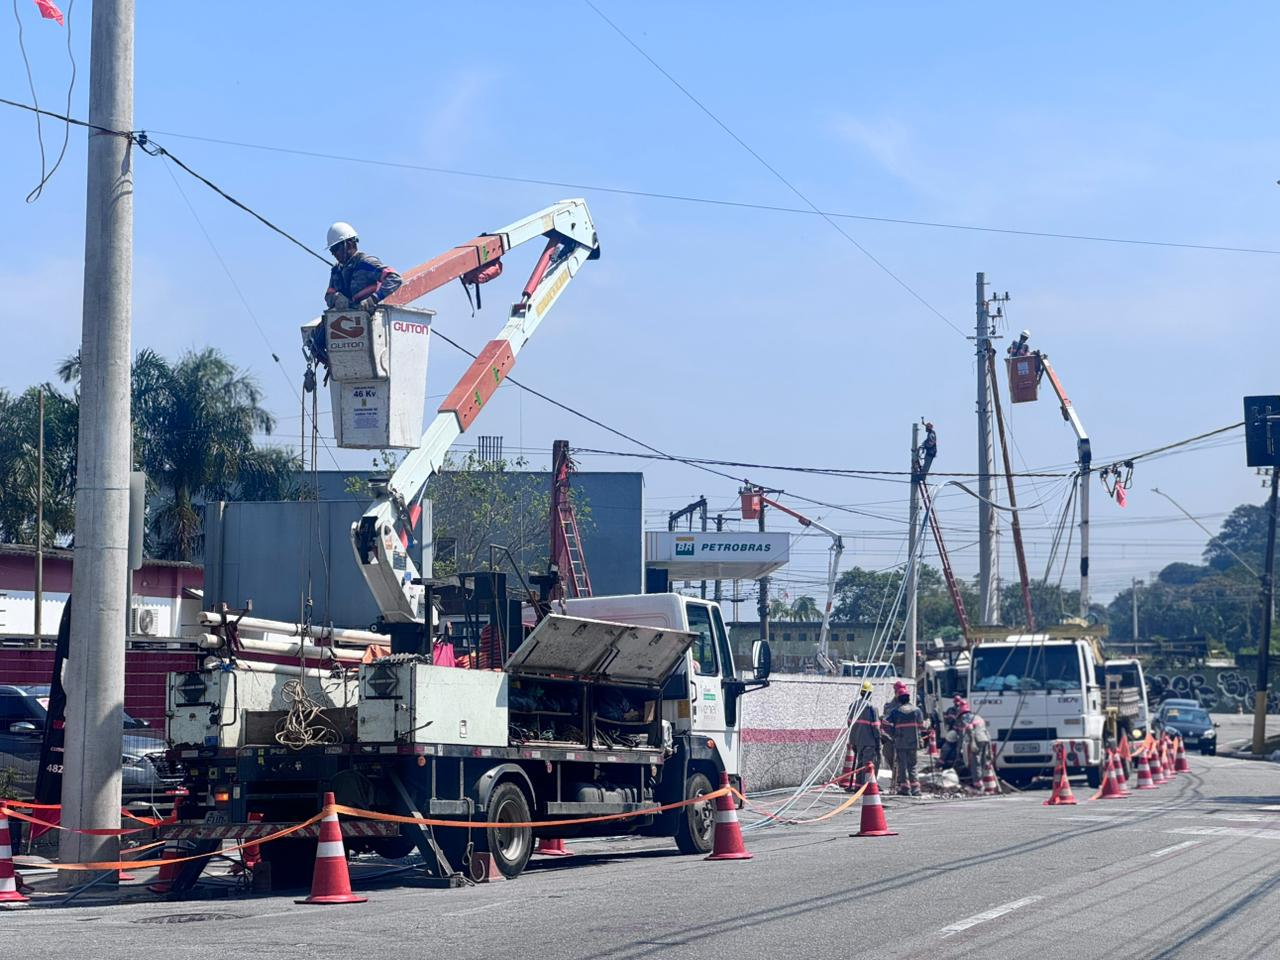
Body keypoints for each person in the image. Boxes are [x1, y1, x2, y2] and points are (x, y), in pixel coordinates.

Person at [324, 221, 403, 313]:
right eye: (331, 250)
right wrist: (335, 298)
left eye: (335, 249)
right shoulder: (337, 270)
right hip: (345, 320)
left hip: (368, 317)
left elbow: (395, 278)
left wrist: (373, 299)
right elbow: (328, 295)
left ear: (348, 245)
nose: (333, 254)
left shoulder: (365, 263)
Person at [883, 680, 926, 796]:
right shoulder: (917, 711)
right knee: (913, 765)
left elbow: (885, 723)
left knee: (902, 765)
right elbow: (922, 727)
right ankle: (915, 788)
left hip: (900, 742)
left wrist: (893, 733)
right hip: (913, 743)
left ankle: (905, 788)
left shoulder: (896, 711)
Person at [848, 681, 882, 789]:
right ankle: (866, 787)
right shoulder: (872, 708)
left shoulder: (853, 706)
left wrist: (853, 738)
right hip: (869, 741)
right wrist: (878, 740)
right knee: (867, 764)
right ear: (870, 693)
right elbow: (876, 726)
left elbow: (849, 723)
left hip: (857, 740)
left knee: (860, 763)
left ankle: (858, 786)